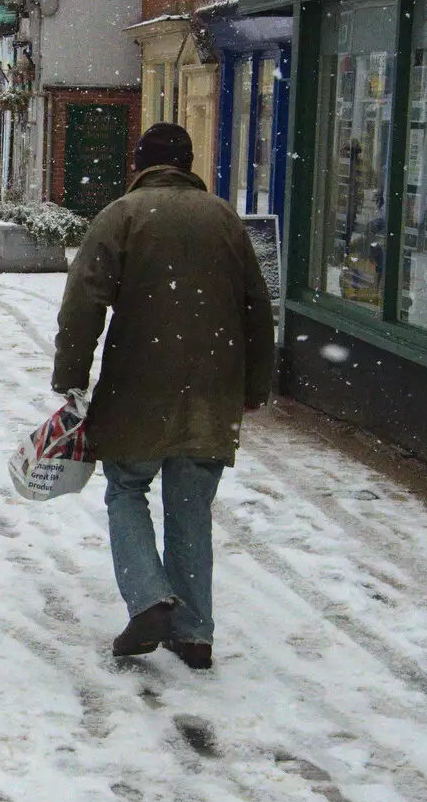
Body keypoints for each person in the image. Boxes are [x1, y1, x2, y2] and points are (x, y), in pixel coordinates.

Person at [51, 123, 275, 670]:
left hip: (139, 388)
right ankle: (195, 632)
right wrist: (255, 387)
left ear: (140, 163)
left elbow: (84, 300)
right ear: (189, 162)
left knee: (127, 489)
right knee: (192, 506)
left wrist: (71, 374)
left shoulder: (123, 215)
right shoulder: (224, 219)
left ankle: (149, 598)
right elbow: (257, 306)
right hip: (212, 392)